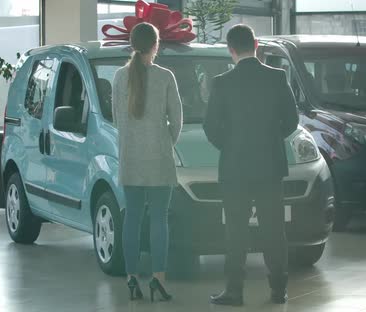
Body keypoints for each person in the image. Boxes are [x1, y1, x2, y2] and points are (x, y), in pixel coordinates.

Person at [203, 24, 299, 306]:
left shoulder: (222, 82)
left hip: (235, 168)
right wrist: (270, 140)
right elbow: (292, 121)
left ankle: (234, 291)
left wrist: (231, 147)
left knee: (235, 231)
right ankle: (278, 290)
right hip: (270, 166)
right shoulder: (277, 78)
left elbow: (210, 127)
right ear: (256, 44)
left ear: (230, 49)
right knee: (273, 229)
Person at [111, 22, 183, 302]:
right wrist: (165, 143)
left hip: (130, 159)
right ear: (156, 45)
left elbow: (118, 119)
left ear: (132, 45)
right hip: (159, 160)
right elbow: (176, 121)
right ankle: (158, 279)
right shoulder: (165, 76)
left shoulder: (119, 77)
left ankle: (131, 281)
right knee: (159, 220)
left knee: (132, 218)